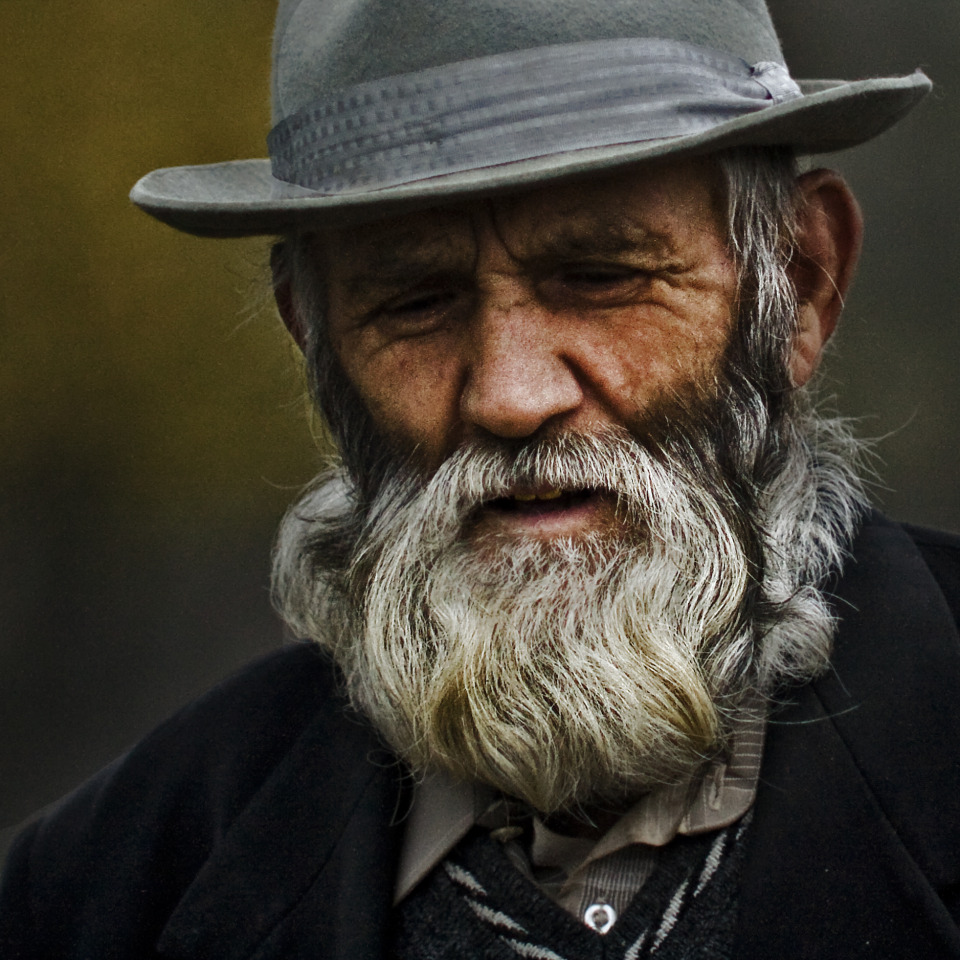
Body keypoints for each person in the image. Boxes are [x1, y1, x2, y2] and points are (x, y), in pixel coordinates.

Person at [2, 0, 958, 956]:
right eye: (416, 301)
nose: (510, 395)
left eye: (601, 275)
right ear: (316, 343)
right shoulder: (94, 894)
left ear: (798, 282)